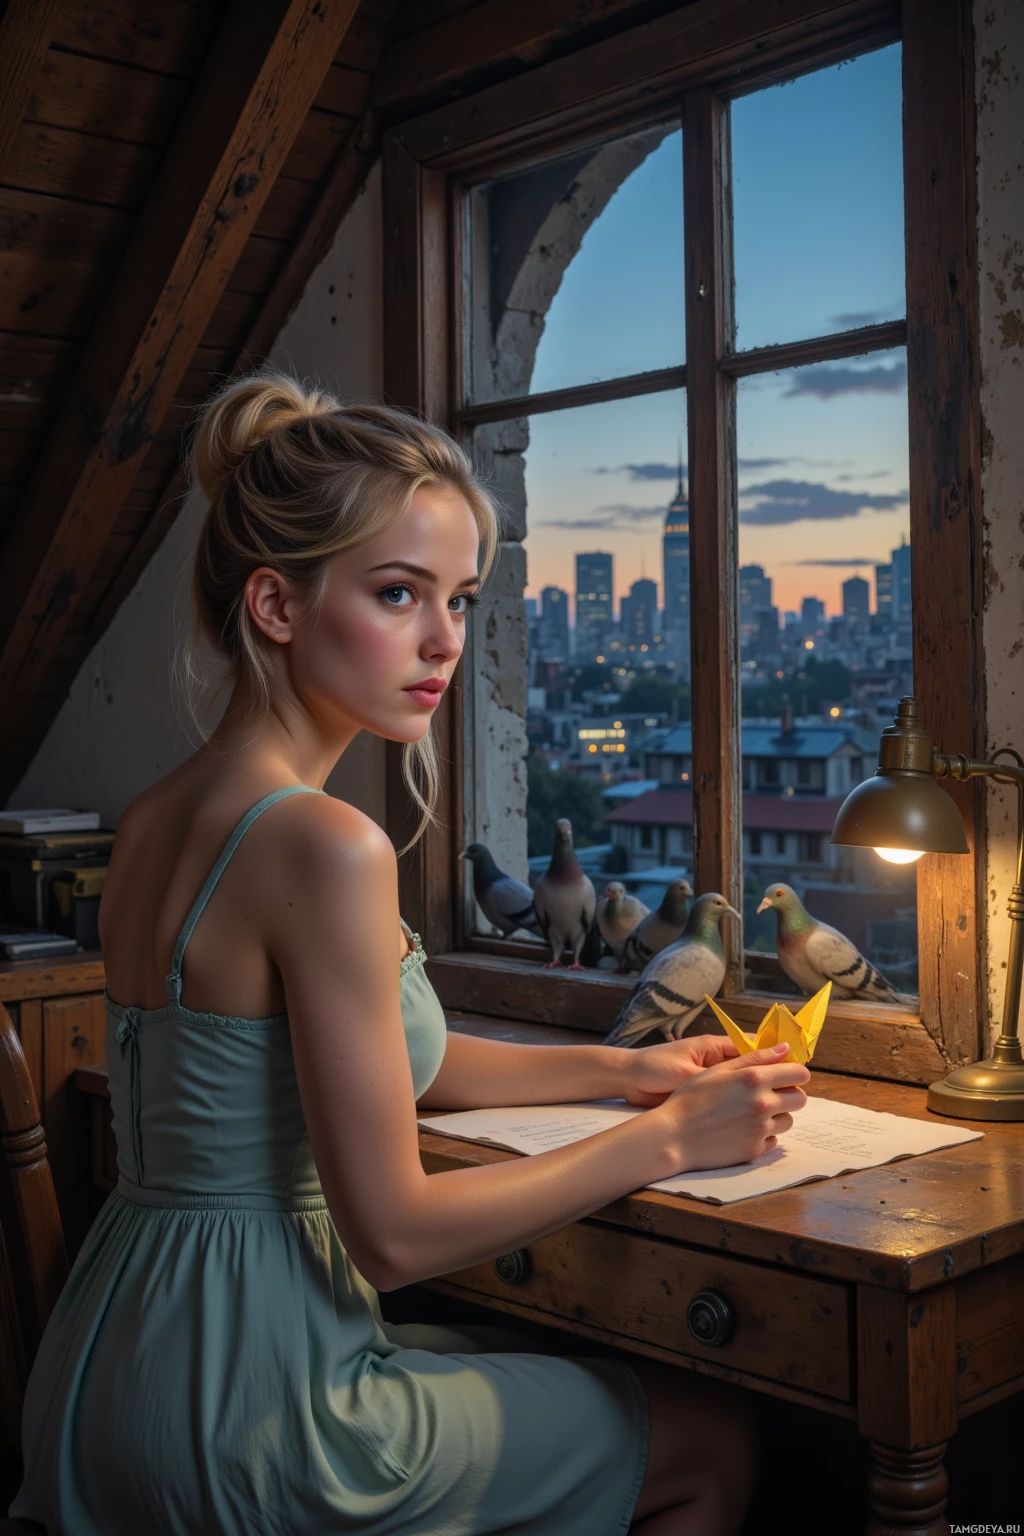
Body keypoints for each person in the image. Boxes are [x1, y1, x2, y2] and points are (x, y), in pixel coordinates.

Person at [12, 372, 809, 1536]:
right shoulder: (325, 844)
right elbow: (388, 1237)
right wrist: (669, 1140)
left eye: (461, 599)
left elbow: (387, 1066)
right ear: (277, 607)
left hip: (115, 1361)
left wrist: (623, 1071)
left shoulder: (157, 813)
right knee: (709, 1441)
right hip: (253, 1405)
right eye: (397, 594)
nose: (442, 640)